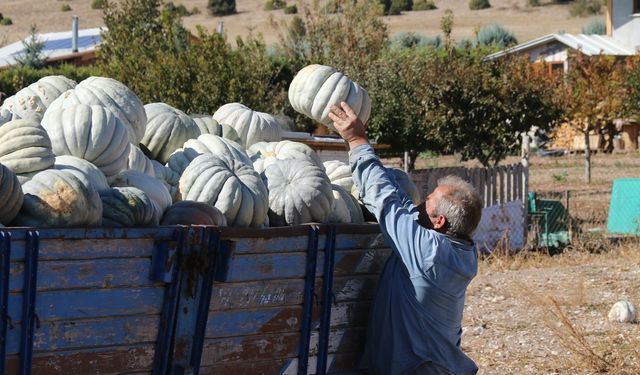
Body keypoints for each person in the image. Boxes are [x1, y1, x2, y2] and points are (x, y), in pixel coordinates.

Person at [328, 102, 483, 375]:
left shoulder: (428, 253)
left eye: (427, 202)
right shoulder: (463, 250)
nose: (419, 205)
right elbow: (406, 211)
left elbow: (387, 203)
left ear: (439, 222)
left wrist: (356, 139)